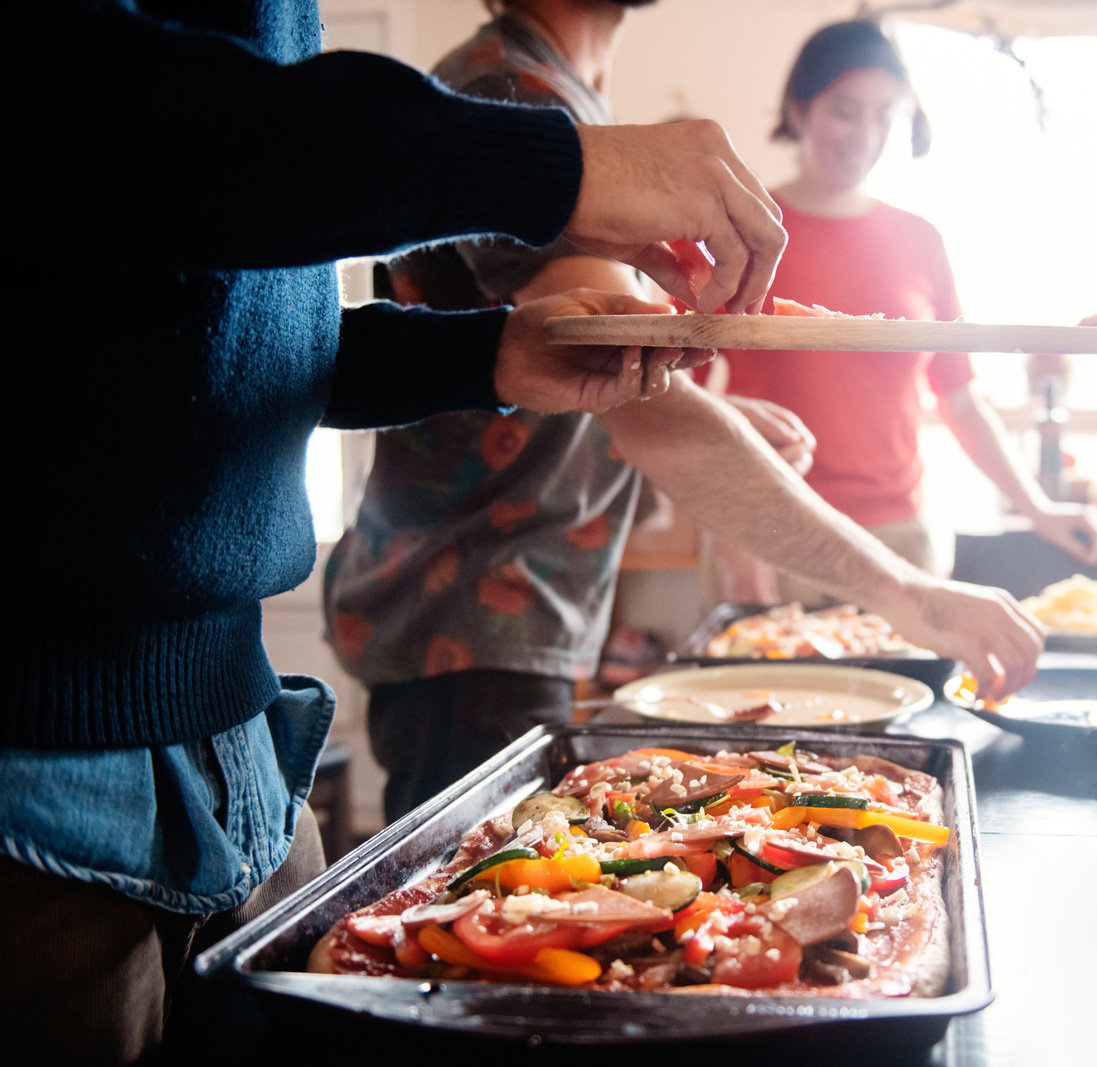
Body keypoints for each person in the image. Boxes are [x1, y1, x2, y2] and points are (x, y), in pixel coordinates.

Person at [3, 2, 788, 1061]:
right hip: (36, 767)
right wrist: (545, 166)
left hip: (243, 751)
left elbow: (212, 316)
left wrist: (479, 359)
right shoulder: (511, 85)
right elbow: (109, 114)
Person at [323, 0, 1045, 825]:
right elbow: (643, 411)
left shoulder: (565, 90)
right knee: (474, 921)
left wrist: (704, 408)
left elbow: (623, 378)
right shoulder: (510, 88)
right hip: (472, 614)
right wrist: (908, 593)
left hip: (509, 611)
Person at [710, 20, 1097, 607]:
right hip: (771, 537)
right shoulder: (740, 233)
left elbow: (959, 397)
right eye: (845, 109)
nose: (865, 133)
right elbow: (672, 394)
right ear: (799, 108)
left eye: (885, 113)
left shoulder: (920, 241)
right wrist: (735, 533)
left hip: (901, 545)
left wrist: (1037, 507)